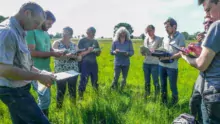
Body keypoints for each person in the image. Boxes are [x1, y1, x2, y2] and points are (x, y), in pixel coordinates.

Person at [0, 2, 56, 124]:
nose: (36, 27)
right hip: (13, 92)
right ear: (27, 13)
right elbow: (4, 70)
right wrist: (39, 77)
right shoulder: (7, 32)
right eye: (36, 22)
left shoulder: (21, 31)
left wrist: (41, 73)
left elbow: (25, 65)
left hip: (20, 89)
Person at [181, 0, 220, 123]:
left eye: (209, 10)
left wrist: (185, 57)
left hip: (213, 92)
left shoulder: (217, 25)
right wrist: (200, 53)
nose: (207, 15)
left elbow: (201, 65)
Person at [25, 10, 62, 117]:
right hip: (36, 71)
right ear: (42, 20)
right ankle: (41, 119)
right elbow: (31, 52)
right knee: (45, 98)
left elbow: (50, 49)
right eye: (49, 23)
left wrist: (57, 53)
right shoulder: (31, 32)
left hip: (46, 71)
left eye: (52, 24)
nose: (50, 26)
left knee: (45, 97)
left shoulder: (46, 33)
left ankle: (42, 118)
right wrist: (51, 53)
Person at [189, 16, 213, 123]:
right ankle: (195, 120)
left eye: (209, 22)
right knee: (193, 102)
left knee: (206, 110)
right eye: (205, 22)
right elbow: (199, 57)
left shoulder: (214, 36)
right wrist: (197, 44)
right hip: (201, 77)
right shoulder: (204, 37)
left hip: (212, 81)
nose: (206, 24)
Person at [52, 27, 81, 108]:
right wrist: (67, 56)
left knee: (72, 91)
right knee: (60, 91)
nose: (64, 34)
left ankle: (73, 108)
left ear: (71, 35)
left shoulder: (74, 45)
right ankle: (59, 109)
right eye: (63, 32)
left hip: (73, 71)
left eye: (67, 33)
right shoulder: (57, 43)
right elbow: (54, 56)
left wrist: (75, 57)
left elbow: (80, 58)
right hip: (61, 72)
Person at [159, 17, 185, 104]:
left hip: (172, 67)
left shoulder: (180, 36)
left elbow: (182, 52)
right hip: (161, 65)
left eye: (167, 27)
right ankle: (164, 102)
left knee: (173, 87)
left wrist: (169, 58)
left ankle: (174, 104)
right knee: (163, 85)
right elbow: (163, 49)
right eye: (165, 27)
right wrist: (157, 53)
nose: (166, 29)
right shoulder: (165, 37)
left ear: (174, 26)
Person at [77, 27, 101, 99]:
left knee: (95, 79)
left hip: (93, 63)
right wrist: (88, 51)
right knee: (84, 80)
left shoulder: (95, 41)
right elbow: (79, 53)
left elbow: (98, 53)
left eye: (93, 33)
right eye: (89, 32)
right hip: (84, 63)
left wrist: (97, 52)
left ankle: (96, 96)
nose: (92, 34)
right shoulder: (82, 41)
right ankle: (81, 97)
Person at [141, 25, 162, 97]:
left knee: (156, 81)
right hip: (146, 63)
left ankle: (157, 95)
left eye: (150, 30)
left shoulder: (159, 39)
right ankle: (147, 94)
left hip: (155, 63)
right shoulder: (145, 39)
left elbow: (162, 51)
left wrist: (154, 51)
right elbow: (144, 52)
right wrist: (143, 52)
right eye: (147, 31)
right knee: (147, 81)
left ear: (154, 30)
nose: (149, 32)